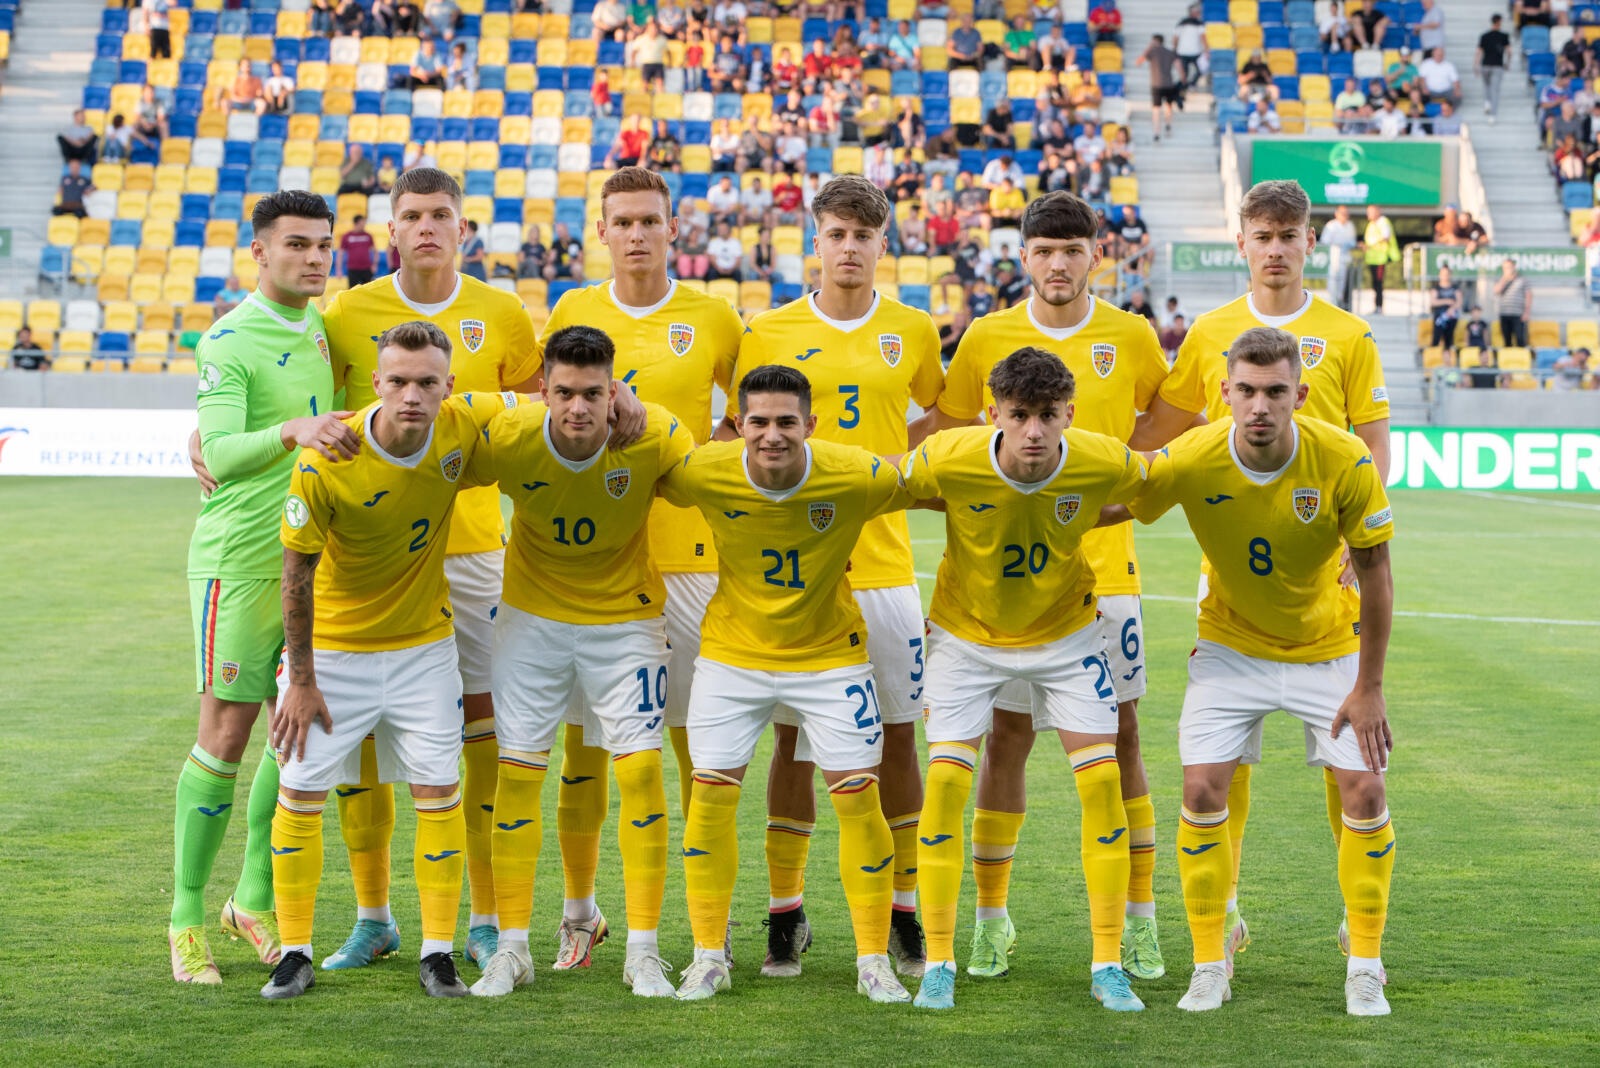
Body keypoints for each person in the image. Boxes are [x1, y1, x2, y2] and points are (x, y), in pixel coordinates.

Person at [313, 168, 578, 974]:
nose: (426, 226)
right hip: (370, 555)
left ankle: (489, 917)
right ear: (389, 230)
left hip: (471, 557)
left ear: (464, 228)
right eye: (412, 215)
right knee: (361, 744)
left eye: (441, 215)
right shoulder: (349, 313)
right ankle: (374, 917)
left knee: (480, 734)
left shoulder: (499, 313)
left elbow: (537, 415)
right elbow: (319, 412)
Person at [1131, 181, 1392, 964]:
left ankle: (1359, 911)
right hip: (1231, 573)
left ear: (1309, 242)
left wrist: (1354, 537)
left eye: (1289, 234)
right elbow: (1165, 437)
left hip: (1323, 556)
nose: (1275, 247)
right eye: (1262, 234)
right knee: (1223, 759)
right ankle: (1226, 910)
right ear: (1241, 241)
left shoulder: (1347, 333)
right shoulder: (1211, 333)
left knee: (1341, 746)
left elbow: (1374, 442)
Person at [928, 191, 1176, 985]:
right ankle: (991, 922)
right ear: (1024, 256)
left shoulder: (1131, 335)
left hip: (1107, 574)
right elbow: (950, 439)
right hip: (1002, 592)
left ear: (1095, 255)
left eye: (1073, 249)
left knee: (1123, 740)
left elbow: (1166, 427)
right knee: (1007, 740)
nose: (1058, 263)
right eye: (1043, 250)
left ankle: (1138, 923)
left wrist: (1097, 505)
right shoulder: (989, 336)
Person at [722, 175, 945, 982]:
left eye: (865, 235)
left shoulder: (913, 330)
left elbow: (944, 416)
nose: (850, 248)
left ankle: (904, 906)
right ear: (814, 241)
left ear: (884, 244)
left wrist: (894, 462)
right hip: (797, 570)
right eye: (837, 234)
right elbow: (738, 428)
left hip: (884, 566)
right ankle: (786, 913)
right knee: (794, 738)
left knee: (896, 735)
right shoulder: (771, 329)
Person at [261, 323, 515, 1001]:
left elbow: (549, 409)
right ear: (374, 383)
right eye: (398, 380)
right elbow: (295, 576)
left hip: (423, 652)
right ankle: (295, 950)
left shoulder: (463, 430)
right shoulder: (327, 455)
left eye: (427, 382)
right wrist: (302, 683)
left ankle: (436, 952)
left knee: (438, 787)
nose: (412, 394)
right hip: (333, 656)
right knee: (303, 790)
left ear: (449, 387)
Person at [529, 170, 744, 968]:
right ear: (602, 231)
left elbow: (747, 415)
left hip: (691, 562)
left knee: (697, 748)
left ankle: (703, 935)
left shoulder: (714, 316)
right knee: (585, 750)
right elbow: (540, 408)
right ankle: (581, 914)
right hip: (595, 563)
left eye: (650, 220)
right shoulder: (572, 313)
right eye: (622, 222)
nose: (637, 235)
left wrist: (691, 447)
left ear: (673, 229)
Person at [661, 363, 916, 1004]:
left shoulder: (854, 472)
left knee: (859, 797)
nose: (772, 435)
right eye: (759, 422)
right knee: (712, 798)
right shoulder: (704, 470)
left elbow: (944, 479)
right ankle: (707, 956)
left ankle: (870, 961)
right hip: (731, 657)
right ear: (737, 425)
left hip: (831, 657)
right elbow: (639, 466)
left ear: (811, 424)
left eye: (786, 422)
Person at [907, 346, 1149, 1013]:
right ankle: (940, 961)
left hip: (1068, 639)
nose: (1035, 431)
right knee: (948, 785)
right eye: (1020, 415)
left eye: (1048, 415)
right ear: (995, 414)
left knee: (1102, 783)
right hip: (965, 640)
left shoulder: (1103, 459)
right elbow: (877, 487)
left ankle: (1107, 963)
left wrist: (1088, 510)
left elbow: (1169, 484)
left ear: (1070, 413)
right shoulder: (949, 456)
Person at [460, 326, 690, 1000]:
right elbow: (437, 422)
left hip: (627, 624)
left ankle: (643, 952)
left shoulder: (655, 433)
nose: (580, 407)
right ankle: (512, 950)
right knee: (519, 774)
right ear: (543, 391)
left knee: (641, 773)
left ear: (615, 390)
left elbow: (720, 480)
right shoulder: (511, 435)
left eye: (594, 392)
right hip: (532, 624)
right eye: (564, 392)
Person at [170, 190, 345, 986]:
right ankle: (183, 918)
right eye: (297, 245)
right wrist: (290, 431)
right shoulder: (229, 339)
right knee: (227, 735)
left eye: (323, 245)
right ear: (261, 253)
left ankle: (252, 897)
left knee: (296, 727)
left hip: (308, 558)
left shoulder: (321, 326)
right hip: (240, 560)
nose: (314, 258)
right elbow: (223, 450)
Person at [1138, 35, 1181, 141]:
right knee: (1168, 106)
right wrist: (1183, 78)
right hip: (1168, 83)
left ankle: (1157, 132)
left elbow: (1139, 61)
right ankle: (1167, 124)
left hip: (1157, 84)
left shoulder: (1152, 52)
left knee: (1156, 109)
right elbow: (1179, 66)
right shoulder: (1169, 52)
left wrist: (1149, 47)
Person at [1360, 204, 1398, 313]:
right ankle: (1376, 306)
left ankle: (1379, 307)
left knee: (1378, 283)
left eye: (1370, 212)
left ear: (1378, 212)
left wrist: (1370, 246)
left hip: (1380, 258)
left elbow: (1385, 238)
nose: (1368, 214)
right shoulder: (1371, 224)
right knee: (1374, 283)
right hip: (1372, 258)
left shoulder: (1383, 222)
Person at [1321, 204, 1359, 310]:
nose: (1345, 216)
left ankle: (1341, 304)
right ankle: (1332, 304)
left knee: (1343, 284)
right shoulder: (1331, 225)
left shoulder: (1350, 225)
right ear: (1336, 214)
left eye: (1346, 214)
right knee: (1332, 282)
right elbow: (1325, 241)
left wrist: (1348, 245)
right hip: (1333, 258)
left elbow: (1352, 241)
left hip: (1345, 259)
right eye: (1342, 214)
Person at [1493, 258, 1531, 348]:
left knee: (1520, 339)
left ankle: (1521, 359)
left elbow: (1529, 295)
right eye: (1505, 267)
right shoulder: (1501, 279)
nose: (1508, 269)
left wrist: (1527, 312)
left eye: (1509, 267)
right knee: (1507, 340)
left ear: (1514, 267)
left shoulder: (1522, 279)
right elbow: (1496, 291)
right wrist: (1504, 278)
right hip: (1504, 314)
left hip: (1518, 314)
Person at [1429, 265, 1462, 350]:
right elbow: (1433, 302)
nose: (1445, 276)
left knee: (1449, 340)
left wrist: (1452, 308)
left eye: (1447, 274)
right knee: (1436, 339)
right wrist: (1447, 301)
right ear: (1440, 275)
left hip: (1451, 317)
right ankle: (1433, 359)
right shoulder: (1436, 288)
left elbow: (1459, 302)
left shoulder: (1455, 288)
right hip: (1439, 318)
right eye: (1443, 274)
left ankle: (1448, 360)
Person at [1174, 3, 1205, 88]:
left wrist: (1175, 49)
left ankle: (1187, 86)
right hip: (1192, 52)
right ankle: (1185, 87)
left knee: (1190, 72)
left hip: (1187, 52)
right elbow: (1203, 38)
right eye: (1198, 12)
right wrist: (1206, 50)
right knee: (1192, 72)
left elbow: (1175, 38)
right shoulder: (1198, 24)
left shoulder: (1181, 23)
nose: (1199, 14)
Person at [340, 216, 376, 285]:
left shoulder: (368, 236)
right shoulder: (347, 236)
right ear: (356, 223)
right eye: (362, 223)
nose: (364, 225)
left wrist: (374, 265)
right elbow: (340, 253)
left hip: (366, 269)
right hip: (353, 269)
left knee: (368, 290)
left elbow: (375, 251)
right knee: (352, 291)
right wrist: (339, 270)